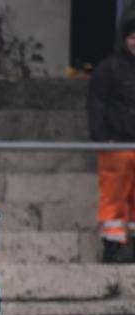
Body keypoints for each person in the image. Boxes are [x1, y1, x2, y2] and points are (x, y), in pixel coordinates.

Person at [87, 14, 135, 263]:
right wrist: (103, 139)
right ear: (124, 39)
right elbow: (97, 107)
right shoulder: (108, 69)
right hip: (116, 147)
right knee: (113, 199)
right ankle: (112, 247)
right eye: (132, 36)